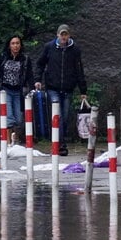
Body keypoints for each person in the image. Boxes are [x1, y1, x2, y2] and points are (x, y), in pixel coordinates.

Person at [34, 24, 87, 156]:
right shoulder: (49, 47)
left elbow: (79, 70)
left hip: (68, 88)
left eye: (66, 34)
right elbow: (40, 64)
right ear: (57, 35)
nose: (64, 37)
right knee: (57, 115)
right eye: (61, 34)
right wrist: (38, 79)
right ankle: (61, 146)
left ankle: (58, 141)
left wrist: (83, 91)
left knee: (64, 117)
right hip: (53, 87)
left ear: (69, 35)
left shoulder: (75, 50)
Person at [0, 35, 33, 144]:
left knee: (18, 118)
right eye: (13, 43)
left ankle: (15, 138)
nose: (15, 46)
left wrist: (31, 88)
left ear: (20, 45)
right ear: (9, 46)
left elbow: (29, 76)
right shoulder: (3, 57)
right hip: (5, 90)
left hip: (18, 90)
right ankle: (7, 142)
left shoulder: (25, 59)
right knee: (8, 117)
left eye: (17, 43)